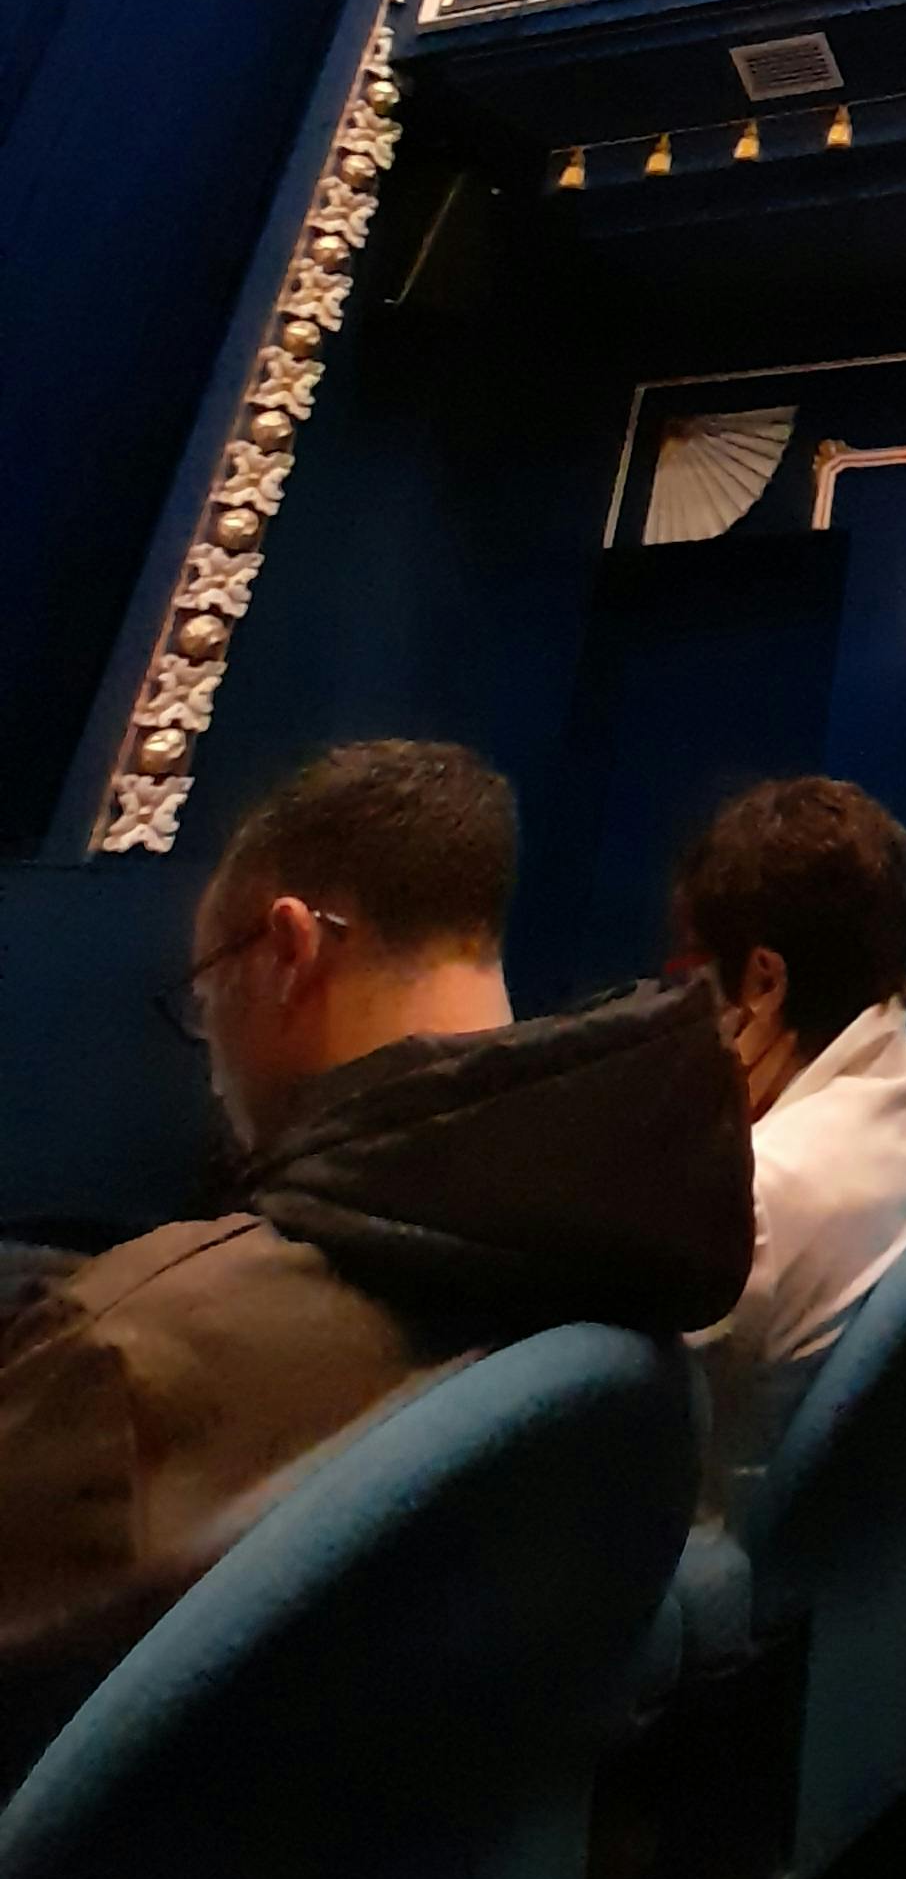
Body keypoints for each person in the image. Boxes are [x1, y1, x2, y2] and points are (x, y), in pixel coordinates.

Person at [0, 739, 752, 1731]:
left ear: (289, 950)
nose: (211, 1050)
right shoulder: (643, 1253)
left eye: (208, 990)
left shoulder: (116, 1355)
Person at [670, 776, 906, 1516]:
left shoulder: (758, 1194)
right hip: (886, 1526)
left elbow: (644, 1441)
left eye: (695, 977)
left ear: (763, 981)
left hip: (731, 1547)